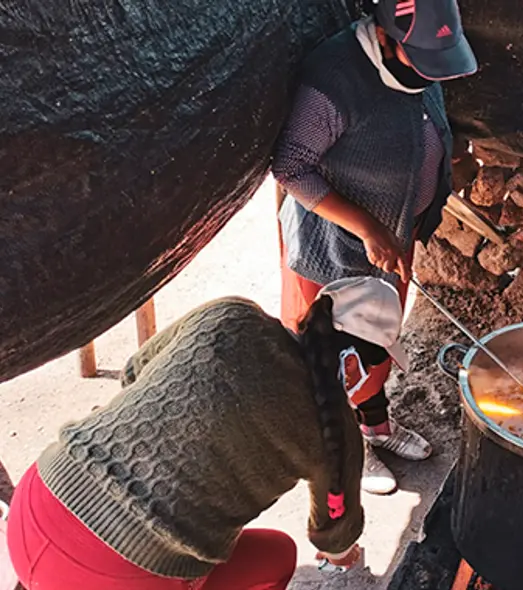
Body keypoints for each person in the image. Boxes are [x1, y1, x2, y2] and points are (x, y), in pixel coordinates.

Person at [4, 277, 408, 589]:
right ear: (354, 367)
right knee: (278, 557)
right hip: (115, 574)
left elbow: (133, 371)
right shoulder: (334, 430)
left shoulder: (230, 314)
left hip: (37, 500)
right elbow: (334, 541)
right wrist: (346, 553)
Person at [272, 0, 478, 495]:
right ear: (385, 38)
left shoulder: (414, 63)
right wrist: (366, 226)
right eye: (423, 58)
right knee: (335, 361)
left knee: (376, 344)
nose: (433, 74)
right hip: (334, 259)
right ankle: (347, 451)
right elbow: (291, 166)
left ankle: (376, 427)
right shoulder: (335, 78)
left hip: (390, 242)